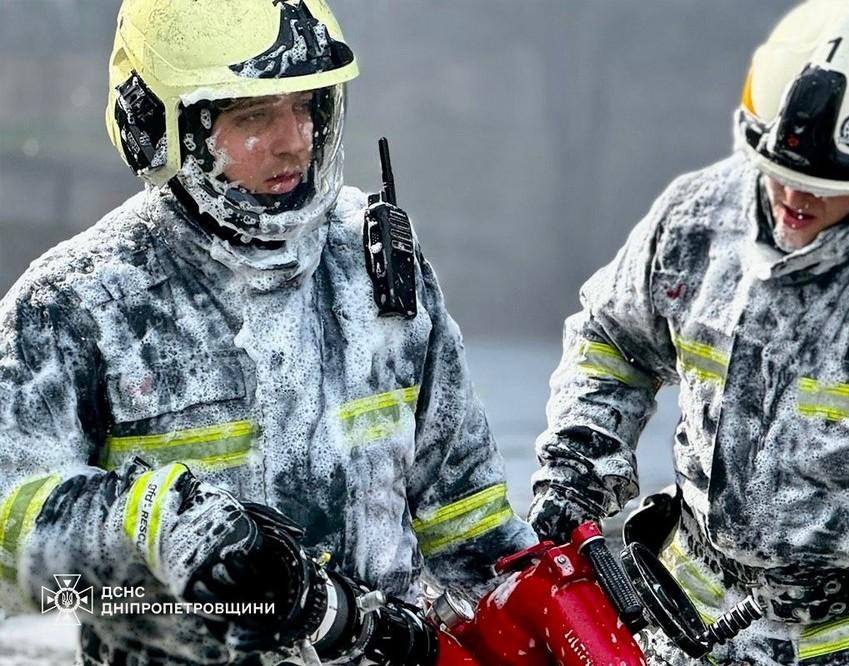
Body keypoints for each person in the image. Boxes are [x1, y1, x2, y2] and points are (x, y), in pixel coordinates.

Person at [0, 0, 534, 663]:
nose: (296, 140)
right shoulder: (77, 301)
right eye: (254, 116)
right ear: (160, 128)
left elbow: (469, 516)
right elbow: (9, 520)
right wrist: (156, 524)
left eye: (305, 105)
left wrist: (543, 613)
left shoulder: (376, 265)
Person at [528, 1, 849, 664]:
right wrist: (578, 464)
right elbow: (612, 342)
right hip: (686, 605)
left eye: (822, 185)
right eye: (779, 173)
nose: (794, 197)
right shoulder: (700, 220)